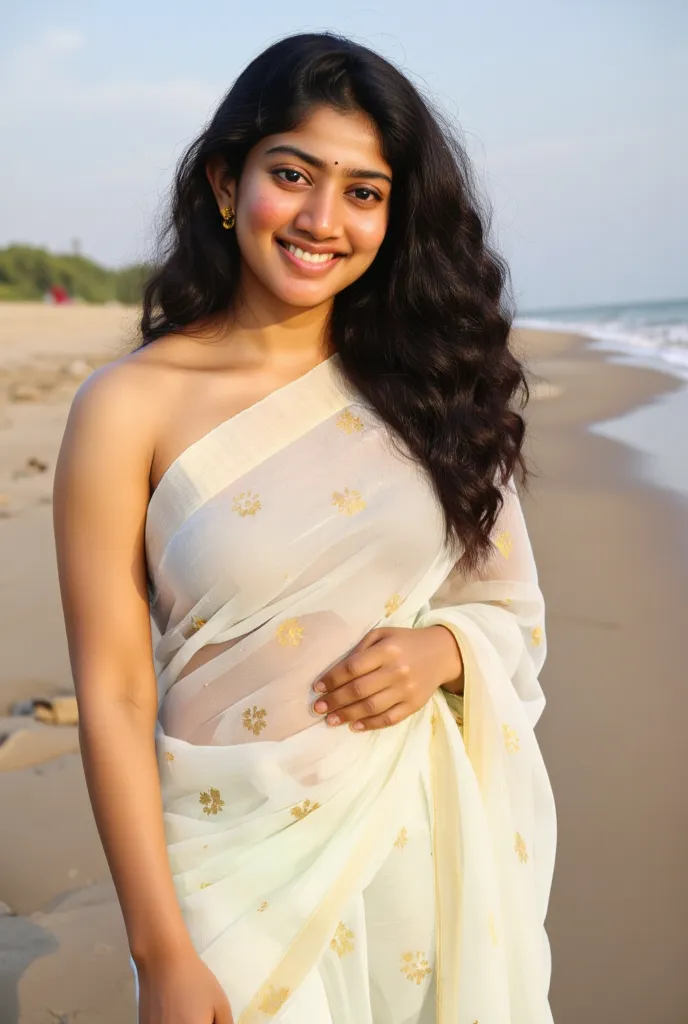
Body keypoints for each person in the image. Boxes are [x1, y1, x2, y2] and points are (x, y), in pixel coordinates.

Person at [53, 32, 556, 1024]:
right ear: (226, 181)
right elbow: (112, 691)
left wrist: (443, 649)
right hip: (224, 863)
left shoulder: (430, 393)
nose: (324, 220)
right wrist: (160, 953)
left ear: (395, 214)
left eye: (364, 191)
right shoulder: (128, 406)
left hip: (413, 848)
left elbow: (508, 611)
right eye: (294, 175)